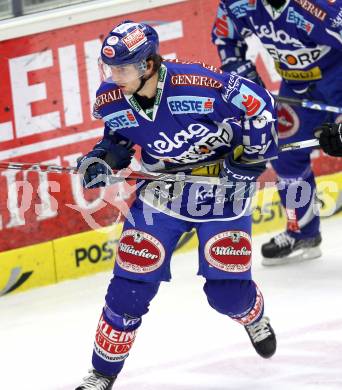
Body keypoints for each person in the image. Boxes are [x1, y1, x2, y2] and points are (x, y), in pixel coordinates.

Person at [75, 20, 278, 389]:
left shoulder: (197, 83)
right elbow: (118, 139)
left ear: (148, 65)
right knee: (129, 288)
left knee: (227, 294)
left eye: (122, 68)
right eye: (110, 68)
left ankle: (251, 314)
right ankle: (101, 373)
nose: (113, 76)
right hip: (163, 192)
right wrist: (101, 160)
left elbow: (260, 105)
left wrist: (250, 158)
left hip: (222, 191)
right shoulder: (111, 97)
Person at [212, 0, 342, 266]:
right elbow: (226, 38)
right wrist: (248, 81)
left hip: (338, 81)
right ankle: (303, 232)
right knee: (285, 155)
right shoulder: (237, 4)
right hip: (295, 88)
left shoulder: (322, 6)